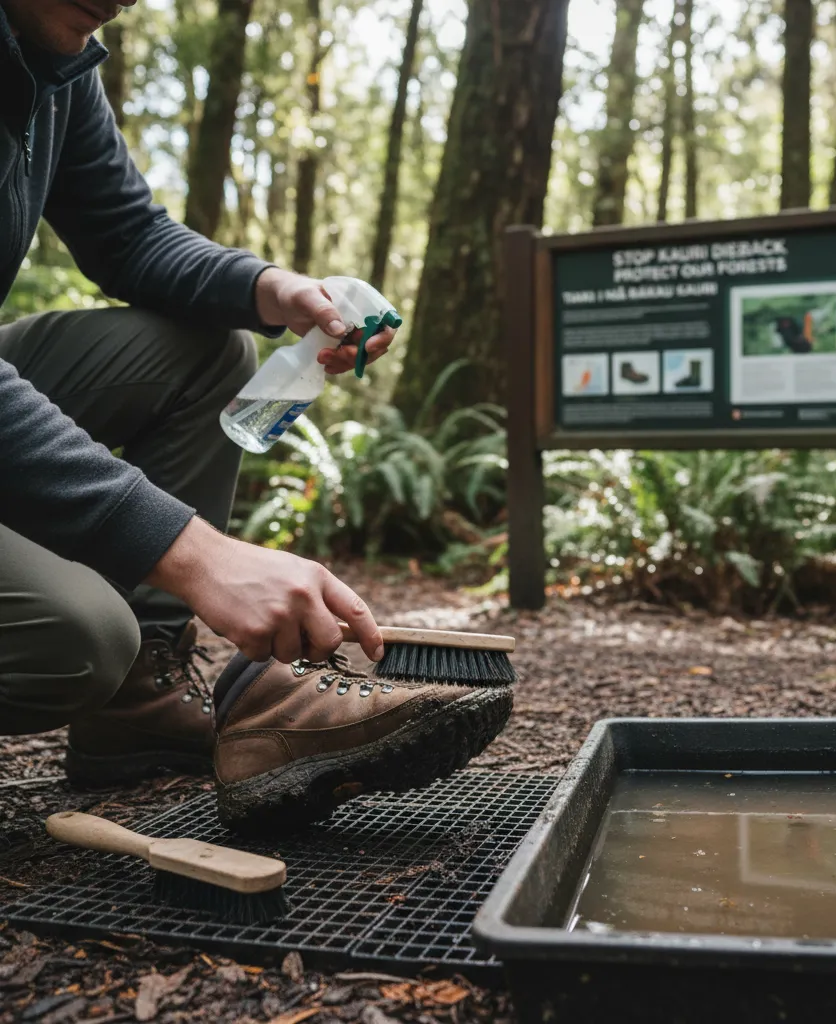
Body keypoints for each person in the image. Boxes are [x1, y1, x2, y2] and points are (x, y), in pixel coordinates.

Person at [0, 0, 512, 830]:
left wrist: (272, 292)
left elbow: (129, 237)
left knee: (211, 354)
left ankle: (138, 706)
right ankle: (116, 663)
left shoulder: (55, 63)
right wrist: (198, 557)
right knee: (72, 640)